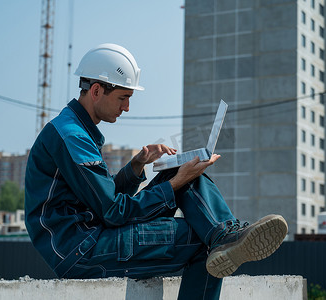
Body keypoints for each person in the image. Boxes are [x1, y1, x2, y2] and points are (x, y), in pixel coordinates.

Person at [25, 43, 288, 299]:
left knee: (179, 177)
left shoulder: (74, 130)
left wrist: (137, 166)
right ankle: (222, 237)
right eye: (123, 97)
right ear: (96, 91)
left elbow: (100, 202)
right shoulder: (72, 136)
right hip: (82, 250)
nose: (126, 107)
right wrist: (174, 184)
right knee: (202, 241)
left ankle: (224, 234)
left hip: (90, 237)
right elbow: (113, 212)